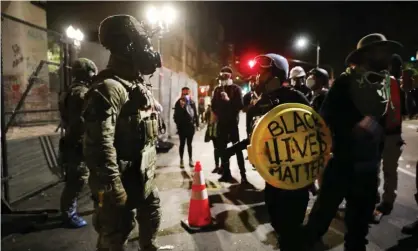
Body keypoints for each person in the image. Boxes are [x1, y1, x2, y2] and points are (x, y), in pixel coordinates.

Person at [304, 33, 403, 251]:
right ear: (366, 54)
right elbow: (325, 116)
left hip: (368, 169)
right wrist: (353, 126)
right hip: (342, 165)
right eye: (381, 50)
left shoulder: (385, 83)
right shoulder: (345, 81)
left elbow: (388, 119)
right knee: (320, 219)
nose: (387, 55)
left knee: (358, 232)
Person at [83, 15, 165, 251]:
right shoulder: (109, 88)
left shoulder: (134, 84)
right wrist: (113, 188)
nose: (148, 50)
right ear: (126, 46)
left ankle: (149, 246)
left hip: (141, 174)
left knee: (151, 210)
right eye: (143, 43)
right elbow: (98, 147)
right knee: (117, 230)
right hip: (119, 176)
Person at [224, 53, 311, 250]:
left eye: (262, 73)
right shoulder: (259, 104)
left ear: (275, 76)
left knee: (292, 228)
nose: (257, 78)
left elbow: (314, 130)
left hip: (295, 176)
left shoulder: (296, 98)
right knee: (278, 221)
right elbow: (256, 138)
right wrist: (234, 150)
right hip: (273, 176)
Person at [58, 58, 98, 228]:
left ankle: (71, 211)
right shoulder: (81, 93)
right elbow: (81, 121)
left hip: (73, 141)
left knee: (79, 178)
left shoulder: (71, 91)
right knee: (77, 180)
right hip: (78, 143)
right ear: (87, 72)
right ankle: (68, 214)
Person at [374, 54, 405, 216]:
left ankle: (386, 201)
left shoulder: (389, 82)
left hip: (389, 134)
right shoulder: (390, 82)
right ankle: (383, 199)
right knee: (385, 169)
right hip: (387, 133)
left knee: (387, 169)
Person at [211, 66, 246, 183]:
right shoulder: (217, 90)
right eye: (223, 75)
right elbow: (213, 105)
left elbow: (240, 105)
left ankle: (243, 175)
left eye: (227, 75)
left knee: (237, 149)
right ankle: (226, 173)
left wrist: (228, 101)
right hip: (221, 124)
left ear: (230, 76)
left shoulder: (236, 89)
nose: (224, 77)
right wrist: (218, 113)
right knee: (222, 149)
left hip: (232, 124)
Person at [173, 87, 199, 168]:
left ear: (189, 93)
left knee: (189, 144)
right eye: (184, 94)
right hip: (182, 127)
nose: (185, 95)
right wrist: (182, 107)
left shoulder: (192, 102)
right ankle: (181, 160)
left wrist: (197, 124)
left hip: (190, 127)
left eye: (187, 94)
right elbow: (176, 116)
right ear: (181, 94)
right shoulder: (178, 103)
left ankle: (190, 160)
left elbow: (195, 113)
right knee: (182, 144)